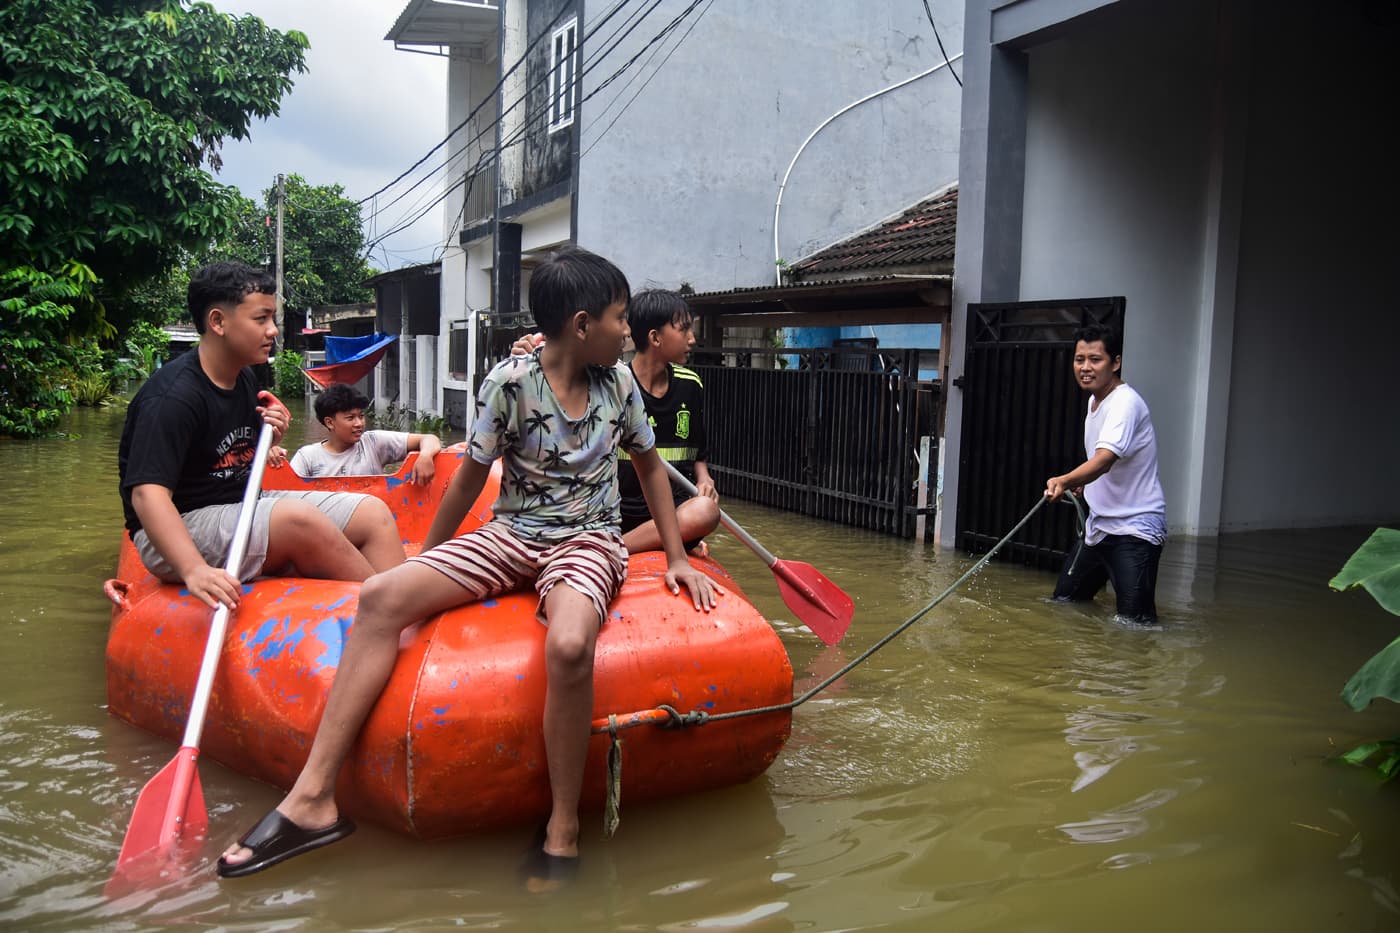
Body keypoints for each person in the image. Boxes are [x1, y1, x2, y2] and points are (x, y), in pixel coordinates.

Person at [217, 247, 720, 886]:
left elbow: (650, 468)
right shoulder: (508, 385)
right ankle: (313, 797)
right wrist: (427, 552)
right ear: (583, 324)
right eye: (619, 318)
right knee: (380, 599)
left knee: (569, 644)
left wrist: (676, 557)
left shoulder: (618, 385)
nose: (627, 331)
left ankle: (562, 827)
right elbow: (469, 478)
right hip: (510, 533)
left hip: (588, 540)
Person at [118, 261, 405, 612]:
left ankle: (403, 615)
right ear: (218, 322)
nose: (273, 331)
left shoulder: (244, 379)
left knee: (373, 512)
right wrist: (193, 570)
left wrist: (270, 437)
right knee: (299, 521)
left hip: (239, 503)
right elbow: (147, 495)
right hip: (179, 525)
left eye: (273, 320)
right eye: (261, 319)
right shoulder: (172, 397)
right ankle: (388, 611)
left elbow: (232, 457)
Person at [512, 289, 720, 555]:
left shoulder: (691, 385)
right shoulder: (612, 381)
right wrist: (527, 356)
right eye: (684, 330)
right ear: (655, 338)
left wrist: (705, 480)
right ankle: (625, 543)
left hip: (670, 508)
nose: (692, 339)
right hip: (613, 510)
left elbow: (698, 450)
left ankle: (621, 547)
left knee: (704, 510)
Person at [1044, 324, 1167, 624]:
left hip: (1135, 530)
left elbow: (1105, 460)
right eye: (1079, 359)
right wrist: (1086, 486)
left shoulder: (1125, 403)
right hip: (1099, 528)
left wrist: (1066, 480)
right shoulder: (1094, 401)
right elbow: (1107, 463)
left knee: (1135, 625)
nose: (1085, 367)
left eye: (1095, 359)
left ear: (1116, 362)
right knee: (1064, 601)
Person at [289, 382, 443, 485]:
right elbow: (286, 492)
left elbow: (430, 439)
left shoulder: (373, 443)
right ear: (330, 422)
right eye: (350, 418)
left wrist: (425, 456)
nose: (359, 423)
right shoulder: (307, 457)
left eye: (361, 416)